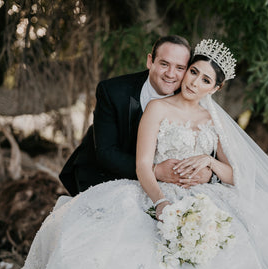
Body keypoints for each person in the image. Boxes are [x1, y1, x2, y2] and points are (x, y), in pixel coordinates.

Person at [17, 39, 268, 269]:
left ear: (215, 88)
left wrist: (210, 165)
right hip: (139, 183)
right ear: (152, 62)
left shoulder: (213, 119)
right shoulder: (147, 104)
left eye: (203, 78)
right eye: (191, 72)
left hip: (205, 192)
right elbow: (126, 159)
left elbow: (236, 172)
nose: (187, 80)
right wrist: (159, 194)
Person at [59, 35, 212, 196]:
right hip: (104, 175)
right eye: (164, 64)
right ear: (150, 61)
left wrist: (208, 173)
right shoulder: (113, 91)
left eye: (180, 68)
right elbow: (106, 152)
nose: (171, 74)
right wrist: (156, 170)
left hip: (166, 186)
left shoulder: (192, 96)